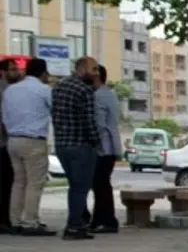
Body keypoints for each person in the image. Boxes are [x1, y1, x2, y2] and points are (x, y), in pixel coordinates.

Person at [2, 58, 53, 236]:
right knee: (35, 182)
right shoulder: (43, 89)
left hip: (13, 140)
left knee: (19, 182)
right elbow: (53, 110)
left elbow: (5, 116)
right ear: (43, 73)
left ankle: (15, 221)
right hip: (33, 140)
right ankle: (30, 222)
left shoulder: (10, 90)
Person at [52, 56, 101, 241]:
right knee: (81, 188)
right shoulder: (85, 90)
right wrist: (97, 142)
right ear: (82, 69)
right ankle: (73, 226)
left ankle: (76, 223)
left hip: (62, 145)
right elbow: (89, 121)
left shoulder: (59, 87)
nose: (96, 74)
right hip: (81, 146)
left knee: (74, 186)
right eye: (94, 69)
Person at [87, 65, 122, 233]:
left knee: (101, 184)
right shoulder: (107, 94)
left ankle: (107, 220)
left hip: (103, 147)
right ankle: (99, 219)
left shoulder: (101, 96)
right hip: (107, 147)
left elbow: (102, 124)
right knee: (99, 184)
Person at [0, 59, 20, 234]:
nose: (17, 72)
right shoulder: (6, 90)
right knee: (7, 183)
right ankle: (4, 220)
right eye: (12, 69)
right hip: (4, 143)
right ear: (3, 72)